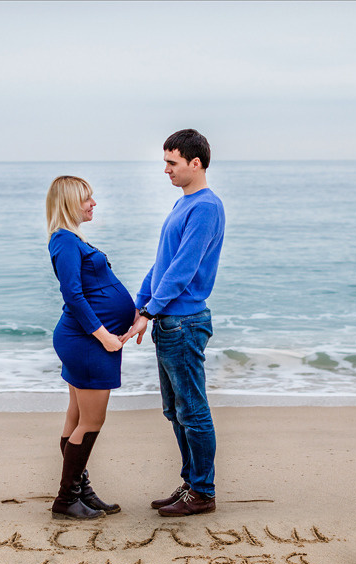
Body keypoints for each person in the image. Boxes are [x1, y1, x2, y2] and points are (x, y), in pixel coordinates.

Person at [120, 129, 226, 517]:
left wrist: (150, 311)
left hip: (184, 322)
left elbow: (183, 269)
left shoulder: (206, 207)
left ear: (195, 163)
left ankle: (203, 492)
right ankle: (191, 484)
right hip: (168, 320)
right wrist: (140, 305)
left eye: (172, 162)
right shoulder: (183, 204)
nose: (166, 169)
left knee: (192, 411)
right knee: (175, 410)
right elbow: (162, 263)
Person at [45, 176, 135, 520]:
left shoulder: (72, 239)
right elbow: (73, 295)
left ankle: (81, 492)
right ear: (70, 202)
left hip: (85, 340)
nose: (93, 203)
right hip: (86, 341)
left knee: (77, 416)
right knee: (92, 420)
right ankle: (66, 499)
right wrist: (104, 336)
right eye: (87, 198)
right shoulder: (65, 241)